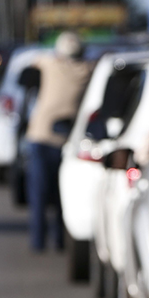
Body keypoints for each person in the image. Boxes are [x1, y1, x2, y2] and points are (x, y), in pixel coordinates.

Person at [24, 31, 93, 252]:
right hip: (67, 141)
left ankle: (38, 242)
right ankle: (60, 241)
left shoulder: (49, 64)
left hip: (41, 137)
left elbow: (30, 66)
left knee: (39, 194)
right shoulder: (88, 71)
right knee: (62, 196)